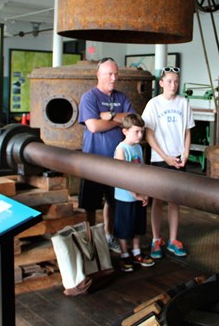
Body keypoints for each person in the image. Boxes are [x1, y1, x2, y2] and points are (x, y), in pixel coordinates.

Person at [78, 57, 136, 254]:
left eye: (116, 74)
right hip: (93, 161)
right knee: (90, 205)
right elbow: (93, 126)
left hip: (117, 162)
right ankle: (90, 239)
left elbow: (133, 122)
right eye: (109, 74)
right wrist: (119, 120)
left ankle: (108, 235)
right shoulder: (89, 97)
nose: (114, 78)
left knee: (113, 202)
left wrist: (109, 116)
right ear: (98, 75)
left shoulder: (122, 98)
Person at [142, 66, 195, 258]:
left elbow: (188, 131)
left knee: (175, 201)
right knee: (158, 200)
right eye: (170, 81)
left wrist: (186, 153)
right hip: (160, 158)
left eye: (176, 81)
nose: (173, 85)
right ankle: (156, 239)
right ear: (161, 83)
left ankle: (173, 239)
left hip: (179, 158)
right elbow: (148, 134)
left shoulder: (183, 103)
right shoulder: (153, 104)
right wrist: (164, 157)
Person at [113, 114, 155, 272]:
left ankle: (136, 253)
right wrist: (135, 194)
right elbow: (121, 177)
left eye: (142, 132)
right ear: (125, 131)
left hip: (138, 194)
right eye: (136, 131)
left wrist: (144, 192)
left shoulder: (138, 147)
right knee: (124, 228)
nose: (140, 135)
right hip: (125, 196)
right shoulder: (121, 150)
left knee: (138, 226)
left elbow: (142, 172)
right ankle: (124, 255)